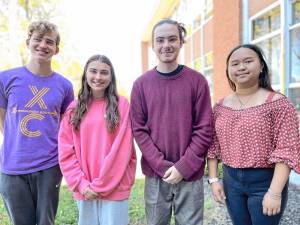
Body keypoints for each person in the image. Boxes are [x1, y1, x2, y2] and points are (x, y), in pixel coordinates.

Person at [130, 18, 212, 225]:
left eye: (172, 39)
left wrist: (183, 167)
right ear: (154, 45)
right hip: (156, 175)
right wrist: (162, 165)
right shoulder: (141, 85)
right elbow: (139, 130)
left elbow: (204, 129)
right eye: (160, 40)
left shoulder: (197, 81)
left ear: (181, 42)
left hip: (190, 174)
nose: (166, 45)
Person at [207, 44, 300, 225]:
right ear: (228, 70)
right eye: (235, 63)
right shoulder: (220, 107)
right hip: (231, 181)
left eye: (248, 61)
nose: (241, 67)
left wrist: (274, 193)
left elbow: (287, 150)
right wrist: (213, 179)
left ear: (261, 66)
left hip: (265, 181)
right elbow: (213, 144)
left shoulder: (279, 104)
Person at [0, 21, 74, 225]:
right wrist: (19, 144)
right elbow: (3, 119)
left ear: (56, 49)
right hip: (12, 167)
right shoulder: (6, 78)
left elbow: (65, 126)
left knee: (45, 222)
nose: (43, 45)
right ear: (28, 42)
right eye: (38, 39)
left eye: (49, 41)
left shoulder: (65, 86)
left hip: (49, 165)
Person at [58, 54, 136, 225]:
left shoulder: (122, 105)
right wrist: (82, 184)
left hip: (116, 186)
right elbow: (65, 151)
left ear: (111, 77)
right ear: (86, 74)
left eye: (104, 72)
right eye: (93, 71)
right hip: (85, 188)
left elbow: (122, 151)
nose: (98, 77)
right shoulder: (74, 109)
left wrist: (100, 184)